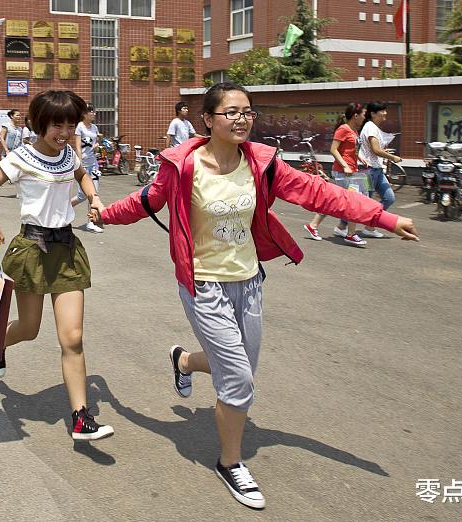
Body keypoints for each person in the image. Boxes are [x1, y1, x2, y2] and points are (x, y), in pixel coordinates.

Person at [94, 82, 418, 509]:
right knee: (240, 382)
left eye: (247, 111)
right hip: (204, 285)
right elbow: (146, 200)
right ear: (207, 119)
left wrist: (382, 217)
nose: (241, 119)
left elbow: (319, 192)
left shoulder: (261, 163)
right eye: (231, 112)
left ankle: (184, 360)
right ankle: (231, 462)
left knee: (237, 366)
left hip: (248, 282)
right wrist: (107, 214)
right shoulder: (182, 166)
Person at [0, 90, 114, 442]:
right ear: (41, 124)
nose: (64, 131)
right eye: (57, 124)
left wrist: (94, 197)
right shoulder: (21, 158)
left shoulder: (69, 154)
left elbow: (82, 175)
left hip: (66, 249)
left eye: (70, 123)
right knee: (30, 329)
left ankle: (81, 418)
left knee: (73, 338)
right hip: (32, 250)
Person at [304, 102, 369, 246]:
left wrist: (360, 159)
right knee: (354, 202)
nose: (365, 117)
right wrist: (345, 165)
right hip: (342, 172)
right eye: (363, 115)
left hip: (351, 171)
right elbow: (334, 149)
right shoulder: (343, 129)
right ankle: (350, 234)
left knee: (336, 201)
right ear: (355, 115)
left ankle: (313, 225)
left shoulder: (354, 130)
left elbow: (351, 151)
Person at [337, 102, 402, 238]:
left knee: (388, 198)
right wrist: (392, 157)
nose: (385, 113)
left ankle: (369, 226)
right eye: (382, 111)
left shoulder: (374, 127)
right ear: (373, 114)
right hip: (367, 171)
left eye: (385, 110)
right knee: (363, 202)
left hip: (376, 170)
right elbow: (375, 149)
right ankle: (342, 226)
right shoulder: (370, 127)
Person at [71, 104, 103, 233]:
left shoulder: (94, 127)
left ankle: (91, 222)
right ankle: (62, 209)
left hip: (93, 163)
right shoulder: (79, 127)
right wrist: (80, 163)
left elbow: (93, 143)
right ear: (84, 114)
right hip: (83, 164)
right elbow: (78, 146)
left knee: (93, 193)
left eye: (94, 111)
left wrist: (96, 145)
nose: (94, 114)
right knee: (82, 196)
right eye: (91, 111)